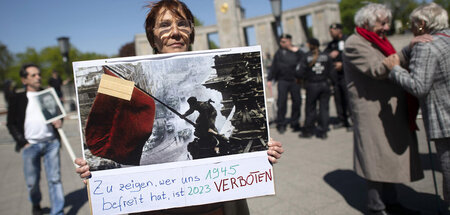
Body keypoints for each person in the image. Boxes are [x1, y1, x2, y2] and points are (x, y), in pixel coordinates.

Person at [75, 1, 284, 214]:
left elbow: (220, 123)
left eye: (182, 24)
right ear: (152, 35)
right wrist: (94, 170)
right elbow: (105, 130)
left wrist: (260, 154)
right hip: (154, 202)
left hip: (214, 205)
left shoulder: (204, 80)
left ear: (191, 32)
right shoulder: (125, 79)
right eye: (164, 26)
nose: (175, 32)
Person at [343, 3, 423, 215]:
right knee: (375, 159)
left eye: (387, 22)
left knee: (386, 158)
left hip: (386, 109)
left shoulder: (377, 40)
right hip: (371, 111)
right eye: (382, 23)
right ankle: (376, 206)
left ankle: (392, 202)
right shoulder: (354, 43)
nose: (386, 27)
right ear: (367, 23)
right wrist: (409, 49)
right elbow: (379, 69)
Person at [383, 2, 449, 206]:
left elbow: (419, 86)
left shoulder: (425, 46)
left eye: (413, 24)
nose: (411, 28)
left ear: (421, 24)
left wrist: (395, 69)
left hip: (444, 121)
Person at [7, 63, 65, 215]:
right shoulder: (17, 98)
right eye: (33, 75)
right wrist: (23, 142)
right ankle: (36, 204)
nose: (38, 77)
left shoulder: (48, 94)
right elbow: (11, 123)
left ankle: (57, 211)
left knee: (55, 179)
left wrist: (60, 121)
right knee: (32, 182)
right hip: (30, 145)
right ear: (24, 80)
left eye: (38, 74)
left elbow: (58, 117)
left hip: (51, 144)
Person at [267, 34, 304, 133]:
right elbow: (274, 67)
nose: (282, 43)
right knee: (281, 102)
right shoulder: (279, 53)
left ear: (289, 41)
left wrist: (297, 51)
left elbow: (304, 61)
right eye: (281, 42)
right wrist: (270, 79)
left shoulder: (297, 52)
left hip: (295, 80)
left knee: (297, 101)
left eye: (284, 41)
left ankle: (295, 122)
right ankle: (281, 123)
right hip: (283, 80)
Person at [298, 38, 334, 139]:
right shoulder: (326, 56)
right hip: (324, 84)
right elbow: (332, 72)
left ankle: (308, 131)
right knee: (324, 108)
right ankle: (323, 131)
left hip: (312, 85)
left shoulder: (306, 57)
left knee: (310, 109)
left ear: (310, 45)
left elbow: (299, 72)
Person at [324, 23, 352, 130]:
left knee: (348, 99)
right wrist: (329, 55)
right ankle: (342, 120)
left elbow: (352, 56)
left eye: (333, 31)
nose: (331, 33)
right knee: (338, 99)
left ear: (339, 30)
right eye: (330, 31)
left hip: (346, 75)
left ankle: (351, 121)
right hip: (335, 77)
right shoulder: (331, 44)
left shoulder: (347, 41)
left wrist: (342, 63)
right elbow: (324, 54)